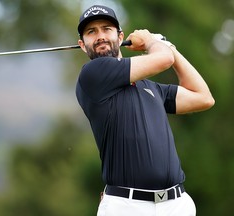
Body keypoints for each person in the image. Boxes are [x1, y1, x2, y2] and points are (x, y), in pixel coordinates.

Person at [75, 4, 215, 216]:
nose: (100, 36)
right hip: (127, 206)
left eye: (106, 29)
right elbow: (163, 60)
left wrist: (171, 49)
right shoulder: (92, 75)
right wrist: (152, 42)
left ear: (120, 37)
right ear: (82, 45)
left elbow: (203, 97)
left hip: (177, 204)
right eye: (91, 32)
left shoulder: (151, 88)